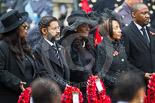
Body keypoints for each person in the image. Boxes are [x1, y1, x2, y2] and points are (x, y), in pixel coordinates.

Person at [96, 8, 140, 102]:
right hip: (111, 94)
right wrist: (120, 83)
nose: (120, 30)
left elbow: (126, 65)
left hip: (125, 91)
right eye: (116, 28)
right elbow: (101, 73)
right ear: (107, 31)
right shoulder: (101, 47)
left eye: (119, 27)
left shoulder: (120, 44)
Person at [59, 10, 98, 102]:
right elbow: (73, 71)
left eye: (88, 26)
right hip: (77, 92)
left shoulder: (89, 43)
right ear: (76, 28)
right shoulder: (66, 45)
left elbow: (95, 68)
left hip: (91, 90)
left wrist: (95, 83)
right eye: (84, 26)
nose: (88, 29)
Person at [0, 10, 38, 103]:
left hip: (30, 96)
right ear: (15, 29)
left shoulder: (24, 45)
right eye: (24, 26)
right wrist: (17, 83)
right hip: (11, 97)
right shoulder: (2, 46)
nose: (27, 28)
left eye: (27, 25)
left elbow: (33, 71)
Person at [33, 16, 70, 92]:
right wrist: (62, 86)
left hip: (65, 93)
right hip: (51, 93)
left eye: (58, 28)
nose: (58, 31)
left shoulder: (60, 48)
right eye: (54, 28)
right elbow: (43, 74)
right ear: (44, 30)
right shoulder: (38, 49)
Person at [122, 3, 155, 83]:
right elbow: (124, 60)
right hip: (137, 81)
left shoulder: (152, 31)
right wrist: (142, 74)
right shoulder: (126, 32)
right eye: (144, 13)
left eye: (148, 13)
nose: (147, 16)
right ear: (133, 14)